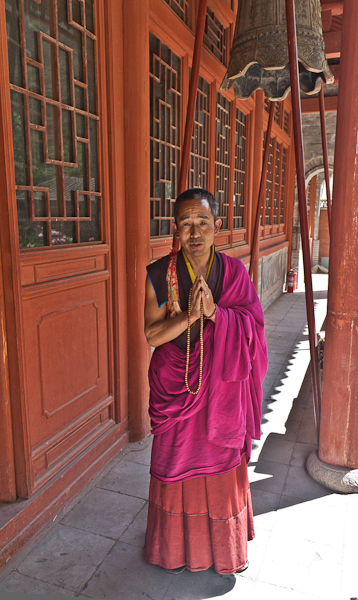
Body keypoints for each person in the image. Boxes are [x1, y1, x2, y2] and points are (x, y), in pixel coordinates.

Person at [144, 188, 268, 575]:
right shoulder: (160, 274)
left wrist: (216, 314)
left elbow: (254, 328)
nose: (194, 232)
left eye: (202, 222)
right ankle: (173, 549)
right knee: (173, 461)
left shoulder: (234, 272)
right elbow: (151, 335)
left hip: (220, 387)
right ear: (176, 229)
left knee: (219, 462)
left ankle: (223, 550)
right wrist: (187, 318)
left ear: (217, 225)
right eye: (185, 223)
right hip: (174, 384)